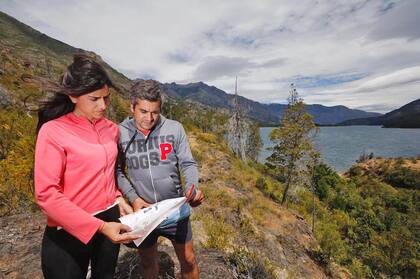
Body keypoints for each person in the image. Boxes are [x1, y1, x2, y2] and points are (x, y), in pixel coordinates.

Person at [34, 54, 138, 279]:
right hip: (68, 228)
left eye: (106, 98)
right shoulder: (53, 131)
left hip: (109, 218)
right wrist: (99, 227)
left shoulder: (111, 129)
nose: (103, 106)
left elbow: (109, 171)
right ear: (73, 96)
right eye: (94, 99)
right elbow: (46, 195)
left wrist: (118, 198)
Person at [116, 79, 204, 279]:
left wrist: (192, 188)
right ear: (132, 107)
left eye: (154, 112)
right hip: (145, 213)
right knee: (147, 263)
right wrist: (133, 198)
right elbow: (117, 171)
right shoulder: (120, 133)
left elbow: (188, 164)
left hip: (175, 210)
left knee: (188, 260)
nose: (149, 118)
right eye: (143, 112)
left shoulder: (174, 129)